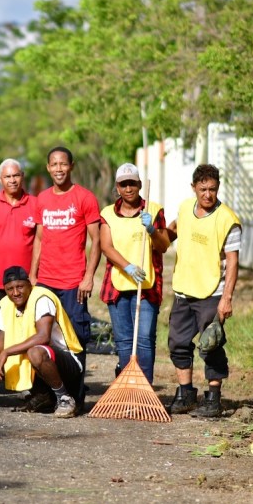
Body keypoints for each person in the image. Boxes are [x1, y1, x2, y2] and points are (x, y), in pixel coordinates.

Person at [165, 164, 241, 418]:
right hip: (184, 289)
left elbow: (233, 263)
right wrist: (153, 231)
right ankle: (186, 394)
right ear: (193, 188)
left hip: (212, 291)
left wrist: (227, 298)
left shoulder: (227, 219)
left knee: (211, 345)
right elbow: (171, 233)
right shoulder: (186, 208)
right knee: (177, 343)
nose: (208, 194)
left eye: (213, 189)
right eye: (203, 189)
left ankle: (213, 399)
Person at [31, 146, 100, 407]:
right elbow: (39, 239)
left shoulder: (85, 197)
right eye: (54, 164)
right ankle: (48, 396)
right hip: (46, 282)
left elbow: (96, 241)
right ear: (48, 168)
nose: (58, 169)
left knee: (76, 338)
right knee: (44, 336)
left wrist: (88, 276)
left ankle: (76, 396)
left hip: (74, 283)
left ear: (71, 166)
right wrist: (33, 275)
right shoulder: (42, 199)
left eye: (63, 164)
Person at [99, 163, 170, 384]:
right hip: (118, 285)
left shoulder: (154, 210)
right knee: (124, 341)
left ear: (139, 184)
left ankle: (144, 386)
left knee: (145, 340)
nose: (128, 188)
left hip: (146, 286)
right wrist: (127, 266)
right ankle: (128, 385)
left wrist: (152, 230)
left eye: (132, 183)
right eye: (123, 184)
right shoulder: (108, 213)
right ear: (117, 187)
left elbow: (164, 245)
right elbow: (106, 247)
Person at [0, 266, 84, 418]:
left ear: (29, 285)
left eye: (20, 286)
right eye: (10, 289)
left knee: (35, 352)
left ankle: (64, 398)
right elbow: (2, 337)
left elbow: (43, 337)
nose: (15, 293)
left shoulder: (42, 298)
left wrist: (6, 352)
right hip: (39, 358)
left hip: (68, 360)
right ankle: (42, 395)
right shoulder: (6, 303)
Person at [0, 158, 39, 340]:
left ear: (22, 177)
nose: (12, 180)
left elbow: (40, 242)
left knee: (27, 331)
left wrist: (34, 275)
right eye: (7, 176)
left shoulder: (36, 204)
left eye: (16, 175)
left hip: (26, 281)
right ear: (0, 179)